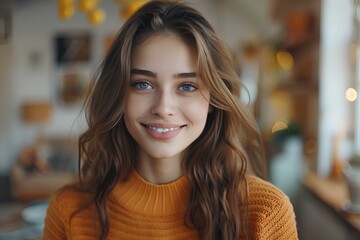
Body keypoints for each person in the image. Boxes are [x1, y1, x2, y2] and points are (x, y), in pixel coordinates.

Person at [43, 1, 298, 239]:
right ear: (118, 94)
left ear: (214, 100)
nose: (164, 108)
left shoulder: (265, 214)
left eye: (187, 86)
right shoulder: (69, 212)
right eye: (142, 84)